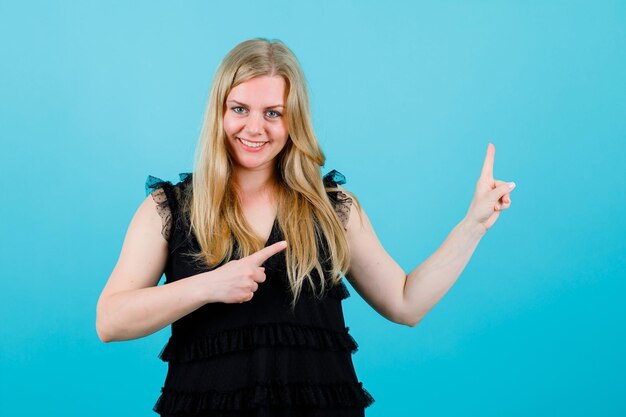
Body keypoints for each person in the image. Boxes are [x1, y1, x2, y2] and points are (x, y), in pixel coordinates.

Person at [96, 38, 515, 417]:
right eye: (239, 108)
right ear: (219, 112)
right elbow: (110, 320)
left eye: (273, 113)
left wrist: (473, 225)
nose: (254, 128)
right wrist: (209, 286)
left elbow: (406, 303)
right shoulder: (168, 209)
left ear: (294, 120)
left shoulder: (332, 208)